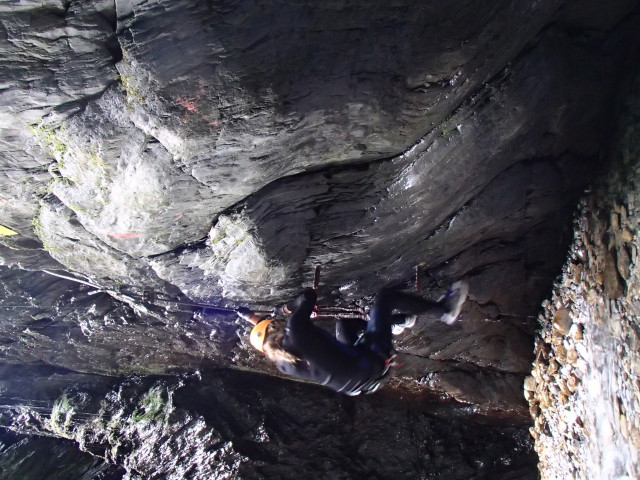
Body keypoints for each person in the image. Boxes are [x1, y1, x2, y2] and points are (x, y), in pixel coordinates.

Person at [238, 281, 468, 396]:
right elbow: (308, 295)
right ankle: (445, 311)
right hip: (375, 362)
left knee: (344, 325)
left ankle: (396, 324)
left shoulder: (282, 364)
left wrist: (253, 318)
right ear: (276, 327)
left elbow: (267, 339)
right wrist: (287, 309)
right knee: (385, 297)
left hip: (362, 384)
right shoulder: (295, 328)